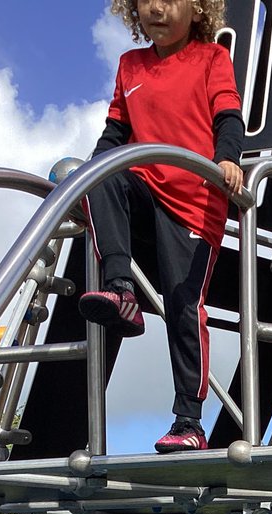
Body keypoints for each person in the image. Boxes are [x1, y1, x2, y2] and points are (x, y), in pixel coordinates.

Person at [78, 0, 244, 453]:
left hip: (194, 200)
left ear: (196, 10)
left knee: (183, 303)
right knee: (105, 172)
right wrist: (86, 177)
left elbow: (227, 116)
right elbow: (114, 133)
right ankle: (121, 289)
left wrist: (228, 157)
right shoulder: (131, 65)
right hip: (146, 182)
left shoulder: (211, 57)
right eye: (146, 0)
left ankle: (188, 421)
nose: (157, 8)